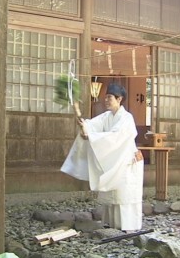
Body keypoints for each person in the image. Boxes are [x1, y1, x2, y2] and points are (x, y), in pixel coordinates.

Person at [61, 83, 144, 232]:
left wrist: (91, 136)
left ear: (119, 99)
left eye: (109, 97)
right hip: (114, 160)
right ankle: (111, 224)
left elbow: (116, 137)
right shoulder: (107, 116)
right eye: (105, 97)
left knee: (124, 193)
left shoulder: (127, 118)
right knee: (111, 193)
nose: (106, 100)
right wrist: (85, 126)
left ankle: (128, 226)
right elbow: (93, 125)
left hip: (127, 161)